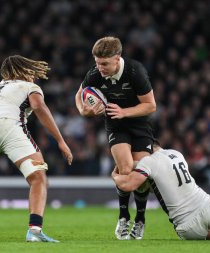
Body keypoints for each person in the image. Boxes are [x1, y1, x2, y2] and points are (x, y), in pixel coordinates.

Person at [0, 55, 73, 242]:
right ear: (23, 71)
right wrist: (60, 140)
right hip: (10, 128)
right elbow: (39, 106)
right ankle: (34, 230)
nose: (33, 75)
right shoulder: (28, 86)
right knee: (38, 178)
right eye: (31, 71)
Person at [75, 36, 156, 240]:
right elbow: (79, 94)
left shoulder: (135, 72)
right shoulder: (95, 73)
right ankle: (123, 216)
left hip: (139, 124)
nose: (99, 68)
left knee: (141, 172)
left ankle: (140, 218)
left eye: (104, 63)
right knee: (126, 168)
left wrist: (124, 111)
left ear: (117, 58)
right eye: (96, 62)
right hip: (115, 124)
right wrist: (84, 111)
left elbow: (150, 105)